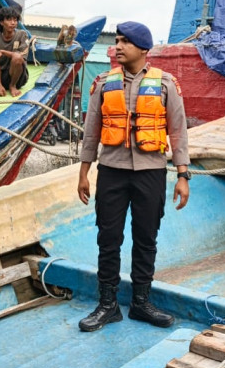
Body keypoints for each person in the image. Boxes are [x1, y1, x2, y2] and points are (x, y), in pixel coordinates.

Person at [76, 22, 190, 332]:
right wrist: (84, 172)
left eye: (125, 42)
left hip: (151, 172)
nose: (118, 46)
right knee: (108, 239)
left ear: (143, 49)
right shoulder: (103, 83)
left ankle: (141, 302)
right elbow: (91, 131)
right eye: (117, 41)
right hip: (111, 171)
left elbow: (178, 131)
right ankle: (108, 305)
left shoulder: (166, 84)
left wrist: (183, 175)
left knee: (146, 238)